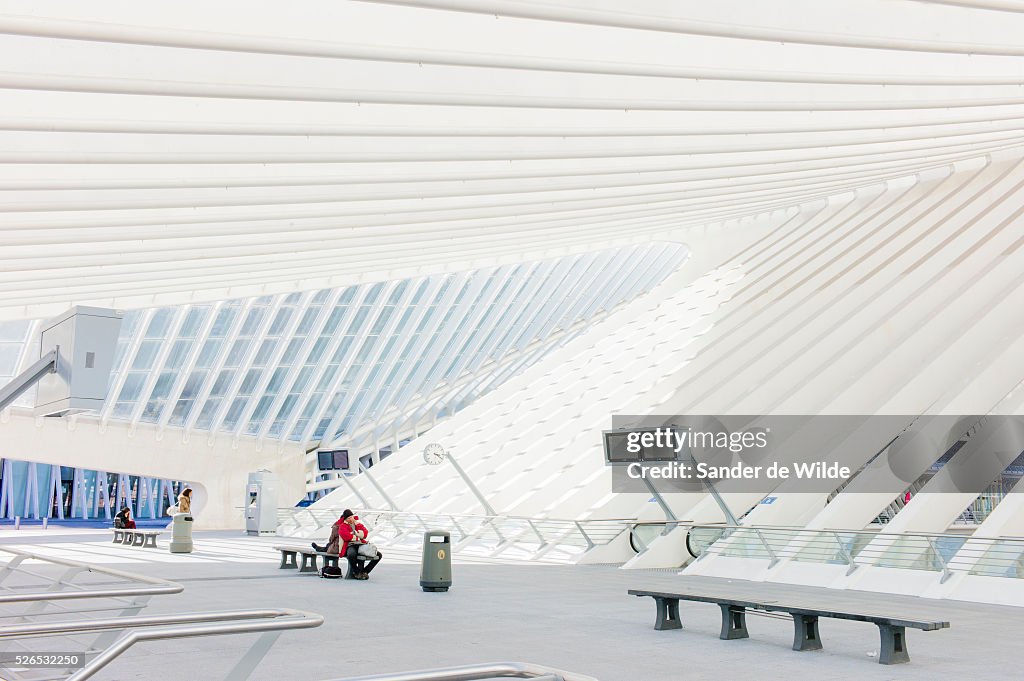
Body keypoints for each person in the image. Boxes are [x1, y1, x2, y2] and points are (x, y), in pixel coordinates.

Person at [312, 509, 381, 580]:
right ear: (345, 519)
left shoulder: (358, 524)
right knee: (351, 554)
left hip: (361, 544)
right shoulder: (342, 526)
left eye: (351, 517)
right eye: (348, 518)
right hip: (347, 545)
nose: (350, 519)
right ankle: (357, 571)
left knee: (378, 555)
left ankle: (364, 571)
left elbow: (365, 534)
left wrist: (356, 535)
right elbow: (347, 537)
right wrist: (358, 535)